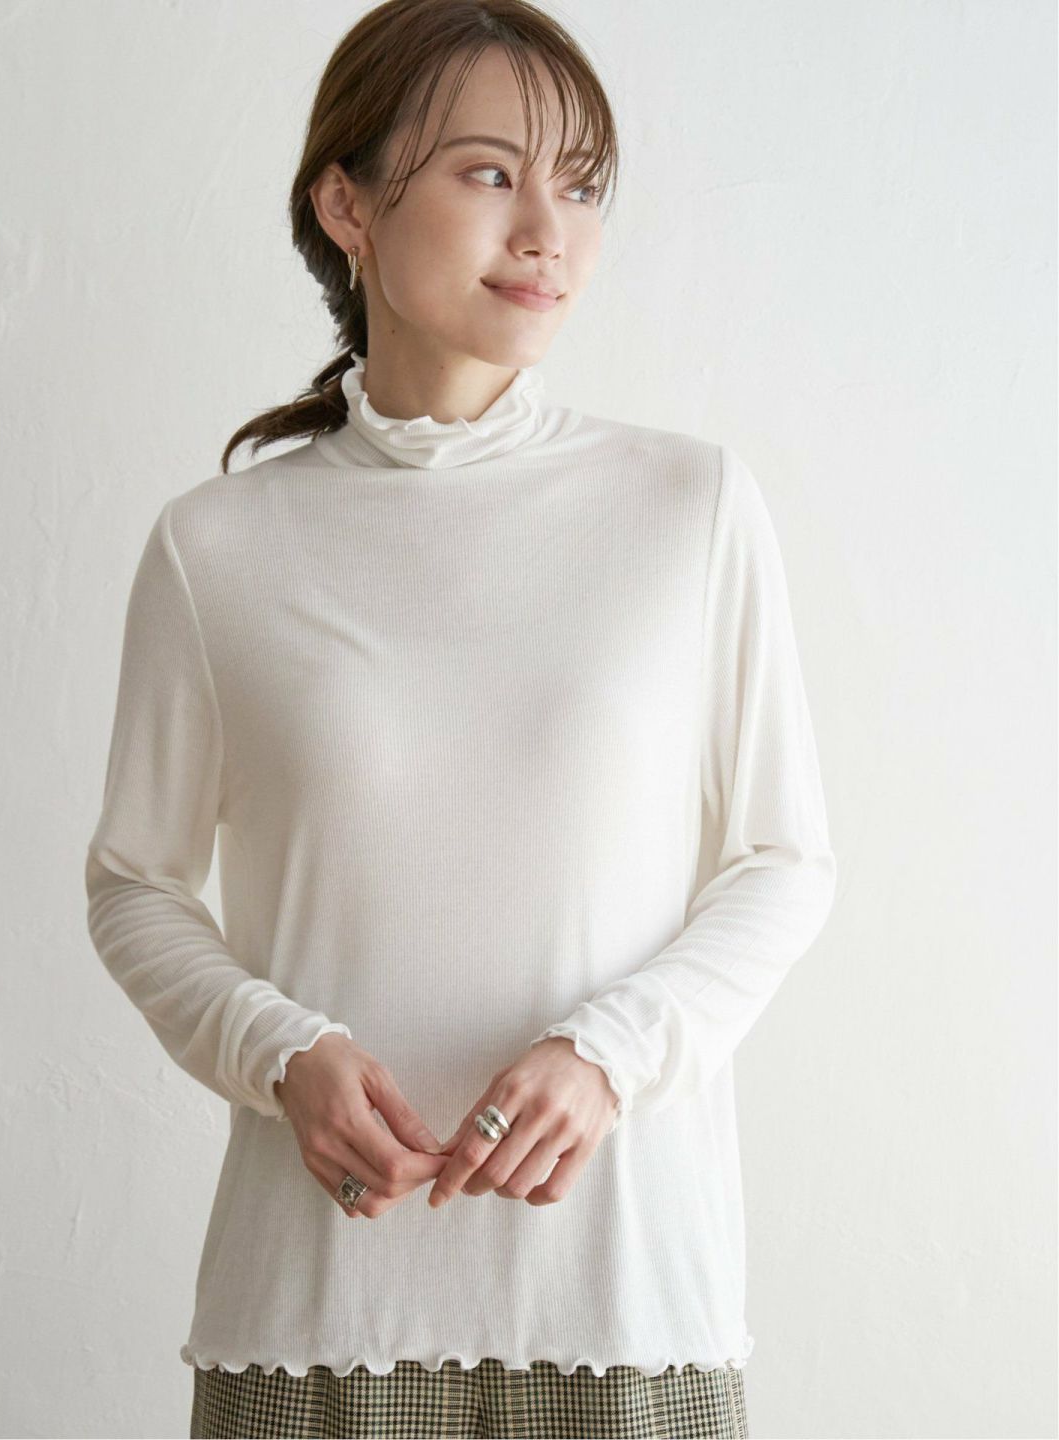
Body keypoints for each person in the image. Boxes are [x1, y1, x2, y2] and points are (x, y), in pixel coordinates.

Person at [83, 2, 837, 1436]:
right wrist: (276, 1048)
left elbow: (784, 862)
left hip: (624, 1311)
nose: (550, 231)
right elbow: (134, 882)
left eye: (583, 184)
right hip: (316, 1324)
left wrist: (612, 1054)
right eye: (490, 172)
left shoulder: (688, 509)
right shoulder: (217, 549)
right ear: (347, 205)